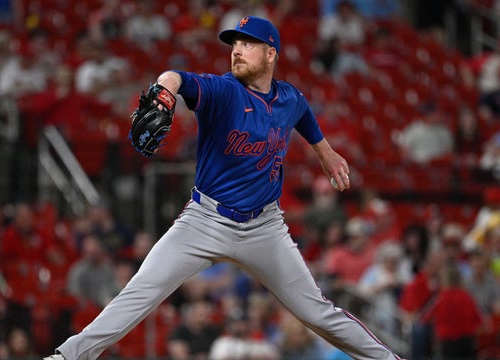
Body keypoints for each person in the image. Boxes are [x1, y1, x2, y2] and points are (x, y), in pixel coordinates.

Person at [45, 16, 402, 360]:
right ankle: (67, 356)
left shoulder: (289, 98)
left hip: (265, 228)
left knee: (317, 313)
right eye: (235, 43)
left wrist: (324, 151)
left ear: (271, 54)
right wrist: (166, 91)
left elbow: (303, 112)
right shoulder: (223, 91)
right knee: (141, 292)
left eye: (248, 44)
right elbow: (176, 77)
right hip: (205, 220)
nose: (237, 50)